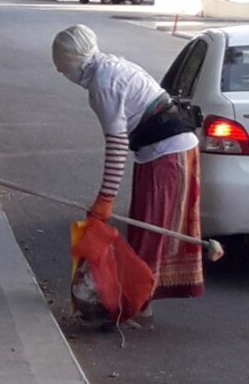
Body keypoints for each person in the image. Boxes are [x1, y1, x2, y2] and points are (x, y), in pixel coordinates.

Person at [51, 24, 204, 328]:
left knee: (151, 231)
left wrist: (105, 199)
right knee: (147, 228)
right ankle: (135, 303)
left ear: (72, 60)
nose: (60, 72)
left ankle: (137, 307)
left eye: (60, 64)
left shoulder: (103, 85)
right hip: (165, 151)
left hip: (168, 155)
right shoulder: (110, 67)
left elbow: (117, 144)